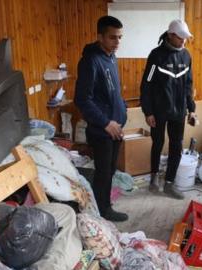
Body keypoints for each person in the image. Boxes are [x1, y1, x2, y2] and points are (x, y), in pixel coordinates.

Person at [74, 16, 128, 221]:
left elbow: (112, 90)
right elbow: (82, 99)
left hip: (116, 127)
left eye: (120, 38)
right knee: (103, 173)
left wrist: (122, 109)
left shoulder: (111, 56)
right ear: (100, 37)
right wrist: (106, 122)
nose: (117, 43)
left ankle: (105, 204)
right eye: (113, 38)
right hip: (102, 130)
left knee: (111, 170)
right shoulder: (90, 61)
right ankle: (102, 212)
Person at [140, 19, 197, 200]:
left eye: (185, 39)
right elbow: (146, 84)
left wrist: (192, 109)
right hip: (158, 111)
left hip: (179, 112)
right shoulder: (156, 56)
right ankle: (154, 178)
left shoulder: (186, 56)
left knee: (176, 147)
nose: (183, 42)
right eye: (180, 38)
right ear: (171, 35)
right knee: (157, 143)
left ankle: (169, 184)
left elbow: (188, 85)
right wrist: (148, 111)